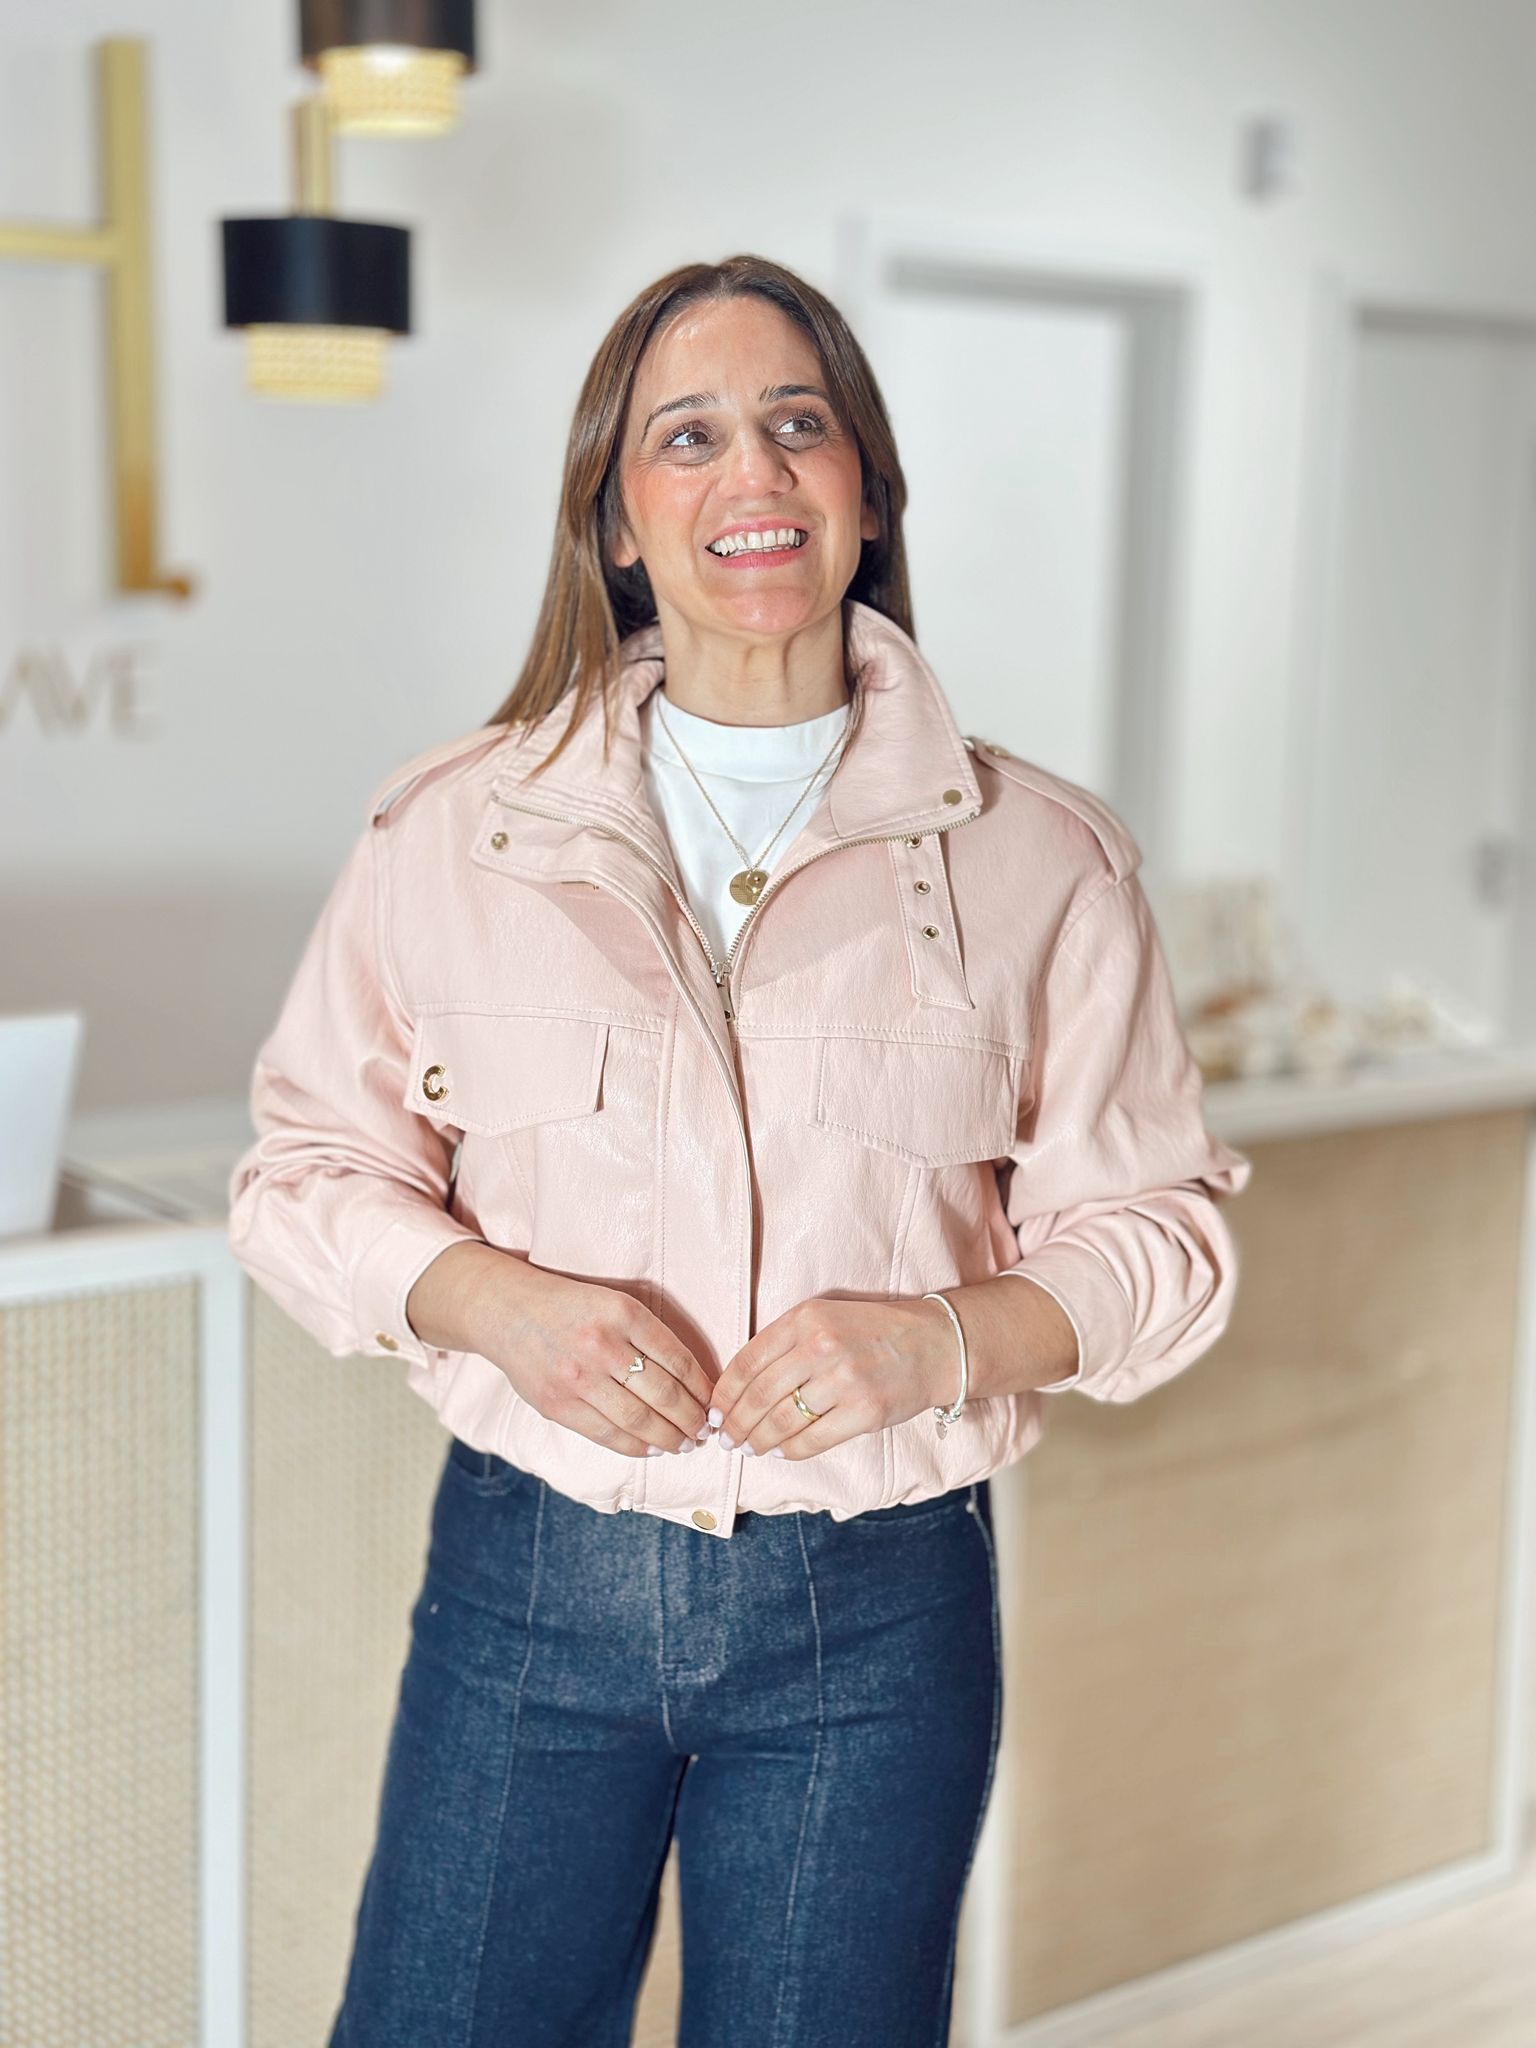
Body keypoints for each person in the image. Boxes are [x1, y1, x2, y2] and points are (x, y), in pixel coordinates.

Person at [227, 252, 1252, 2048]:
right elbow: (300, 1176)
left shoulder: (1046, 860)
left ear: (869, 493)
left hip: (879, 1611)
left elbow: (1164, 1238)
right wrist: (491, 1302)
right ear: (617, 522)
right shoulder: (449, 834)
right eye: (687, 436)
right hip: (529, 1585)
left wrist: (941, 1341)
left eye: (799, 424)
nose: (752, 474)